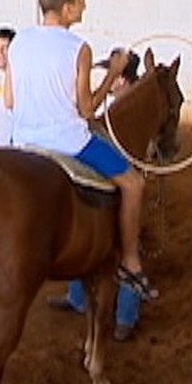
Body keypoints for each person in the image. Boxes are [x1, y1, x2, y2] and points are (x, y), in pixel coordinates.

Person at [4, 0, 151, 309]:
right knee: (134, 183)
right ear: (66, 8)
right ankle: (129, 260)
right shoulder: (78, 48)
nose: (83, 7)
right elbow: (86, 111)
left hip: (24, 140)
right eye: (80, 2)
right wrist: (113, 74)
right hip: (69, 141)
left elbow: (10, 100)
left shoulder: (19, 42)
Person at [45, 49, 144, 340]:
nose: (109, 82)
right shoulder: (120, 104)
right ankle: (80, 298)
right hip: (105, 160)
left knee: (125, 236)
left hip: (118, 167)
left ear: (123, 79)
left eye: (113, 77)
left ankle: (125, 314)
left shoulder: (131, 104)